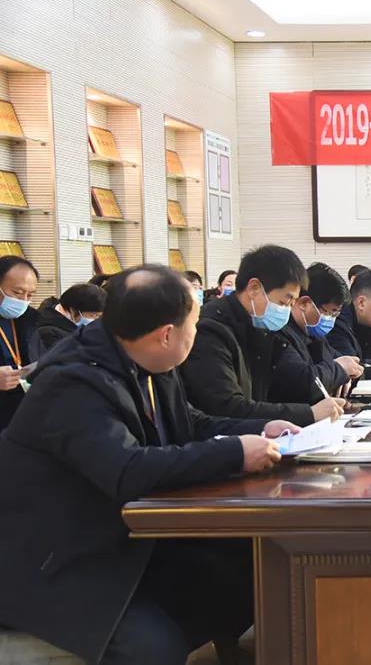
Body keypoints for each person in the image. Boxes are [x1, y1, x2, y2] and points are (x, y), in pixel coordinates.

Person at [0, 265, 296, 665]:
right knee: (154, 647)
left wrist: (261, 429)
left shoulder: (145, 360)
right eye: (194, 324)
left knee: (249, 571)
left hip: (125, 538)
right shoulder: (72, 384)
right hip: (58, 560)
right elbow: (127, 469)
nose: (197, 332)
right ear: (166, 334)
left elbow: (190, 423)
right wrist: (234, 453)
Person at [180, 245, 345, 425]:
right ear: (254, 288)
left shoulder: (261, 325)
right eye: (284, 302)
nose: (287, 311)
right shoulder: (211, 330)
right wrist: (308, 413)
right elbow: (226, 407)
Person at [269, 263, 363, 404]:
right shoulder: (279, 333)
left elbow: (348, 365)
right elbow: (303, 384)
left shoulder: (314, 335)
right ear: (304, 303)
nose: (331, 319)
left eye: (336, 314)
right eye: (330, 312)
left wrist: (346, 373)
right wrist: (340, 370)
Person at [0, 256, 40, 431]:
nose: (23, 300)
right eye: (17, 292)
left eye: (30, 295)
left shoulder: (31, 318)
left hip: (20, 417)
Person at [36, 283, 106, 351]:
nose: (95, 320)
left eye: (99, 316)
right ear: (73, 310)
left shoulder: (75, 327)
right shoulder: (48, 332)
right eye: (93, 315)